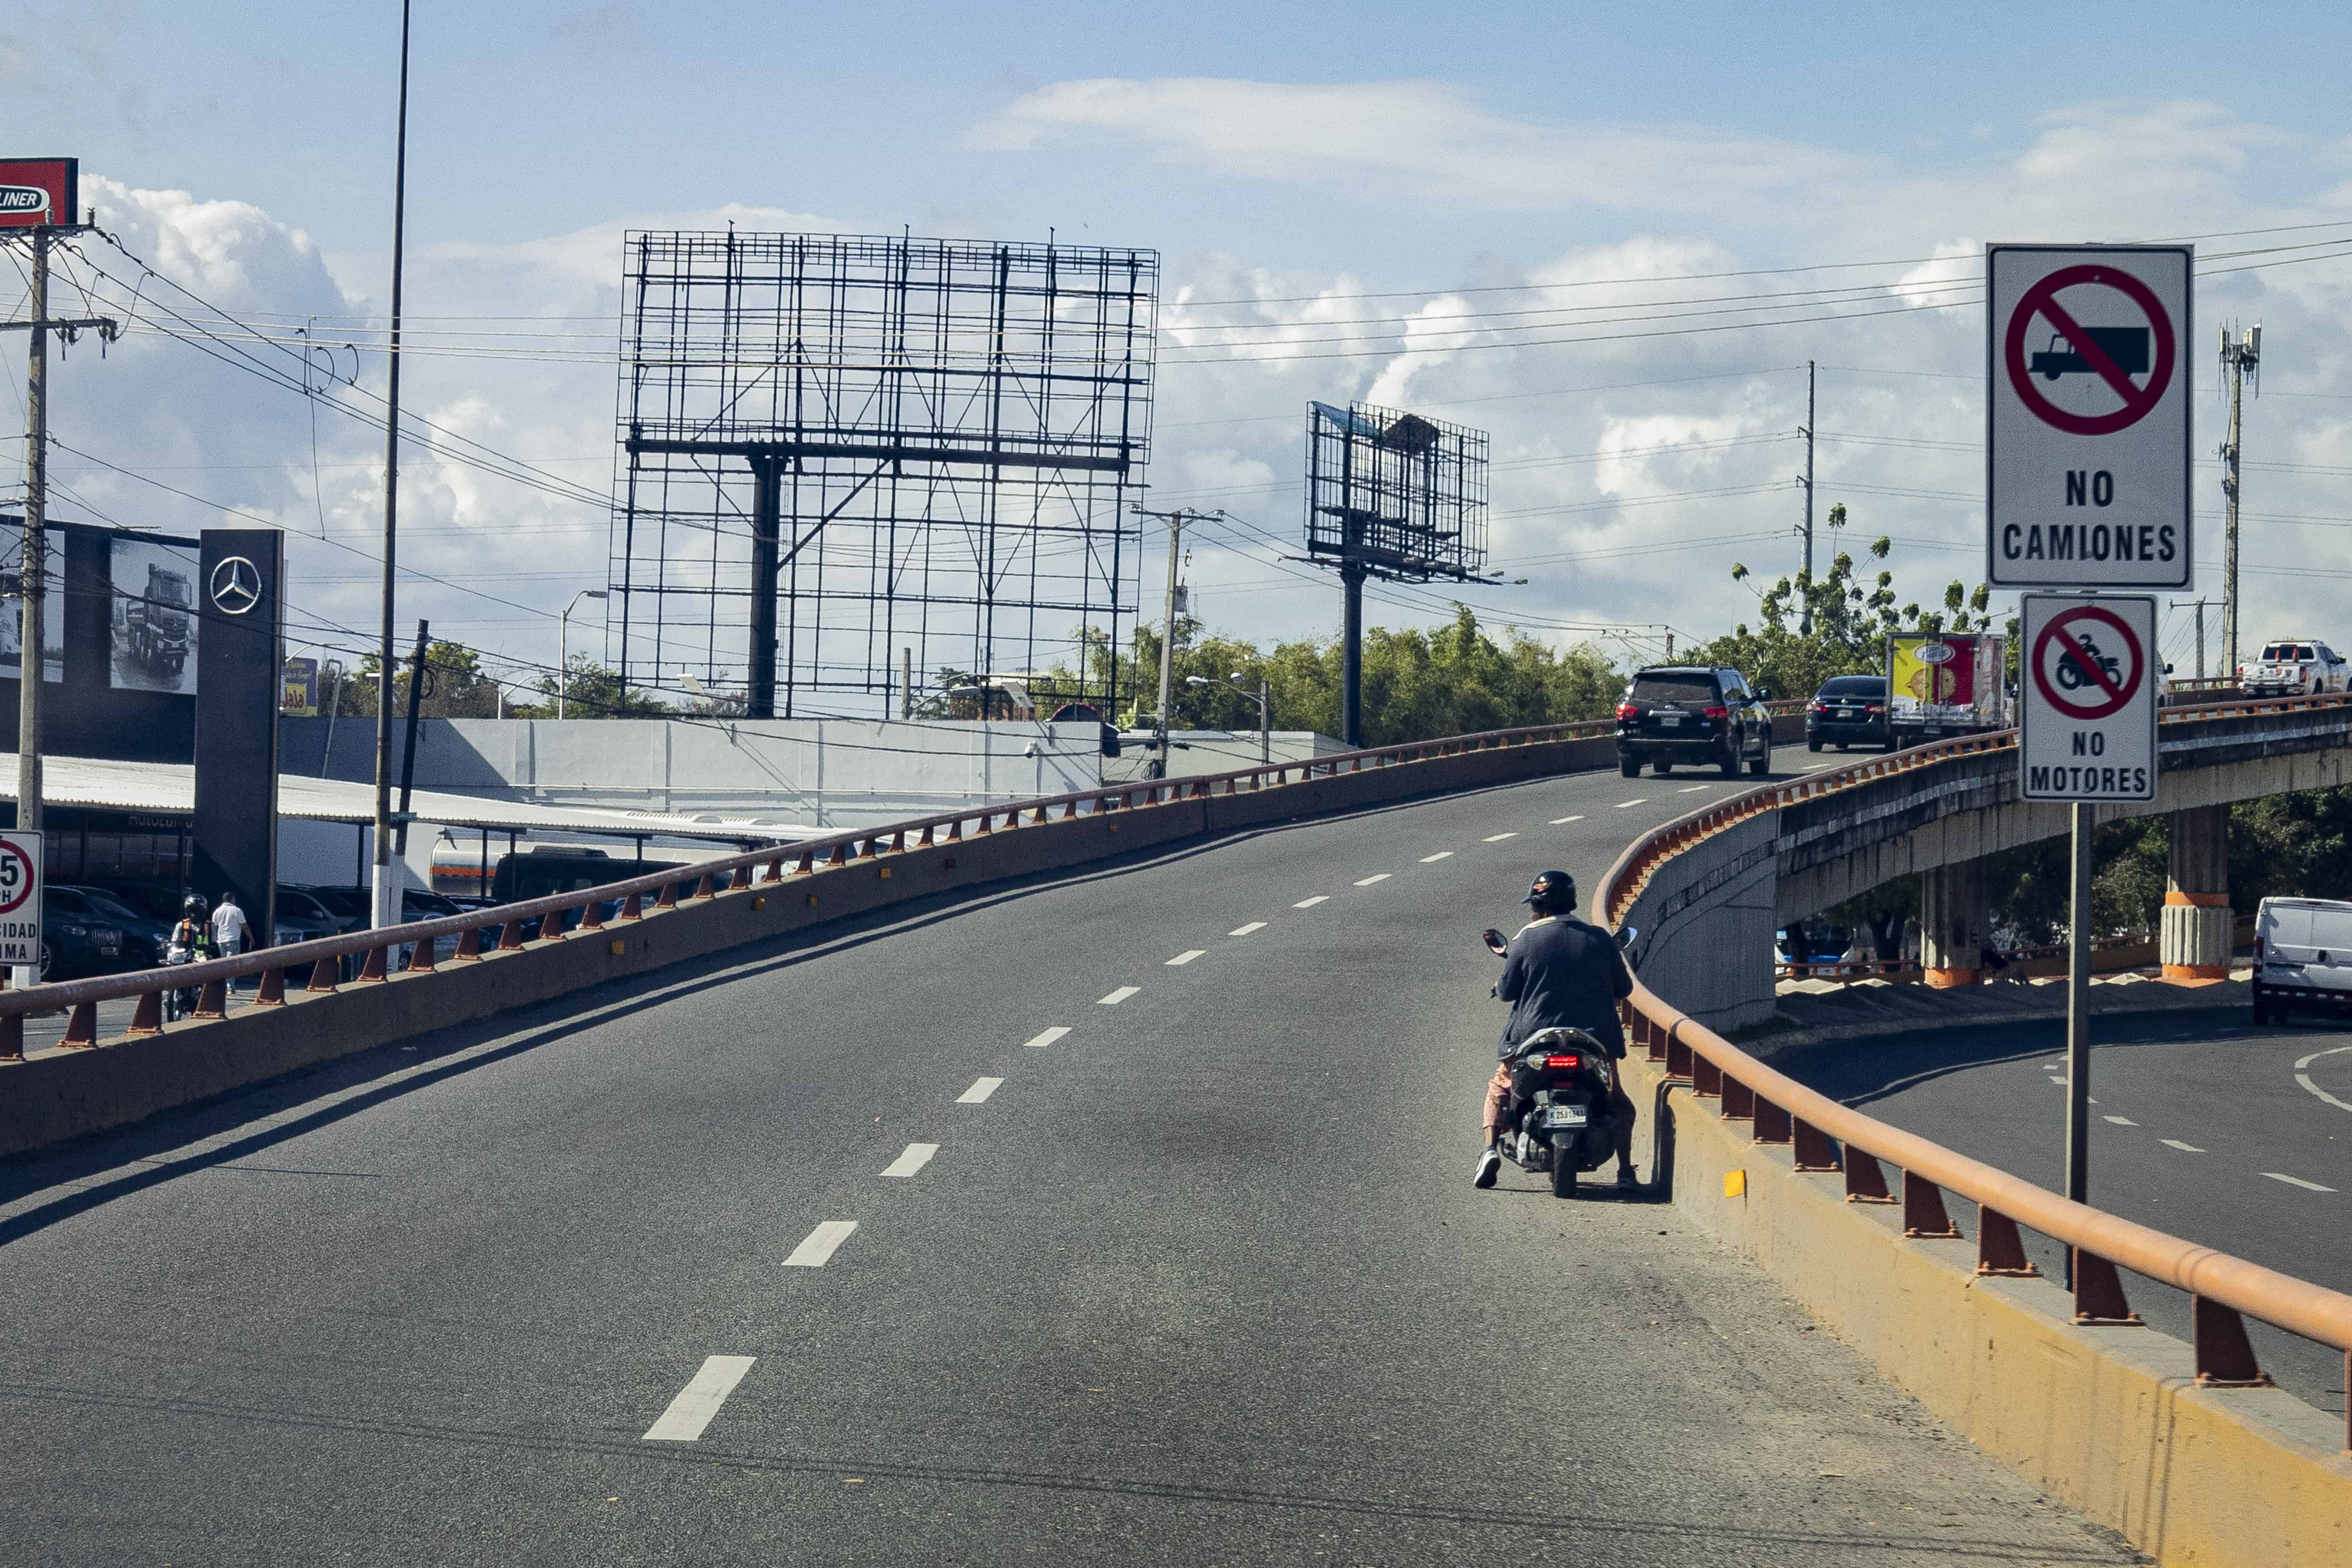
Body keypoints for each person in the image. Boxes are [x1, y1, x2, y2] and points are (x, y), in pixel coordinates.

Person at [1476, 869, 1638, 1191]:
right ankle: (1624, 1172)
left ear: (1537, 906)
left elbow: (1507, 991)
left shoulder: (1526, 939)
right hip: (1594, 1041)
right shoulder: (1600, 939)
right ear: (1571, 903)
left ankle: (1489, 1149)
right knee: (1617, 1101)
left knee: (1500, 1087)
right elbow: (1625, 987)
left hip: (1533, 1038)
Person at [166, 894, 217, 1020]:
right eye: (192, 910)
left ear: (203, 911)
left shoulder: (210, 926)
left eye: (198, 910)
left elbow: (214, 943)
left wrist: (212, 952)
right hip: (184, 954)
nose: (194, 913)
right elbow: (175, 941)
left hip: (202, 955)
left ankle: (203, 998)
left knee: (206, 973)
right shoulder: (181, 925)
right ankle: (171, 996)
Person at [211, 889, 252, 990]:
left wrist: (214, 939)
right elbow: (245, 926)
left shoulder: (217, 911)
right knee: (232, 964)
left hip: (221, 940)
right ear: (232, 899)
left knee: (225, 963)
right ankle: (230, 987)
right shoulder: (237, 911)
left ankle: (225, 985)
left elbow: (214, 926)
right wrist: (251, 938)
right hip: (233, 939)